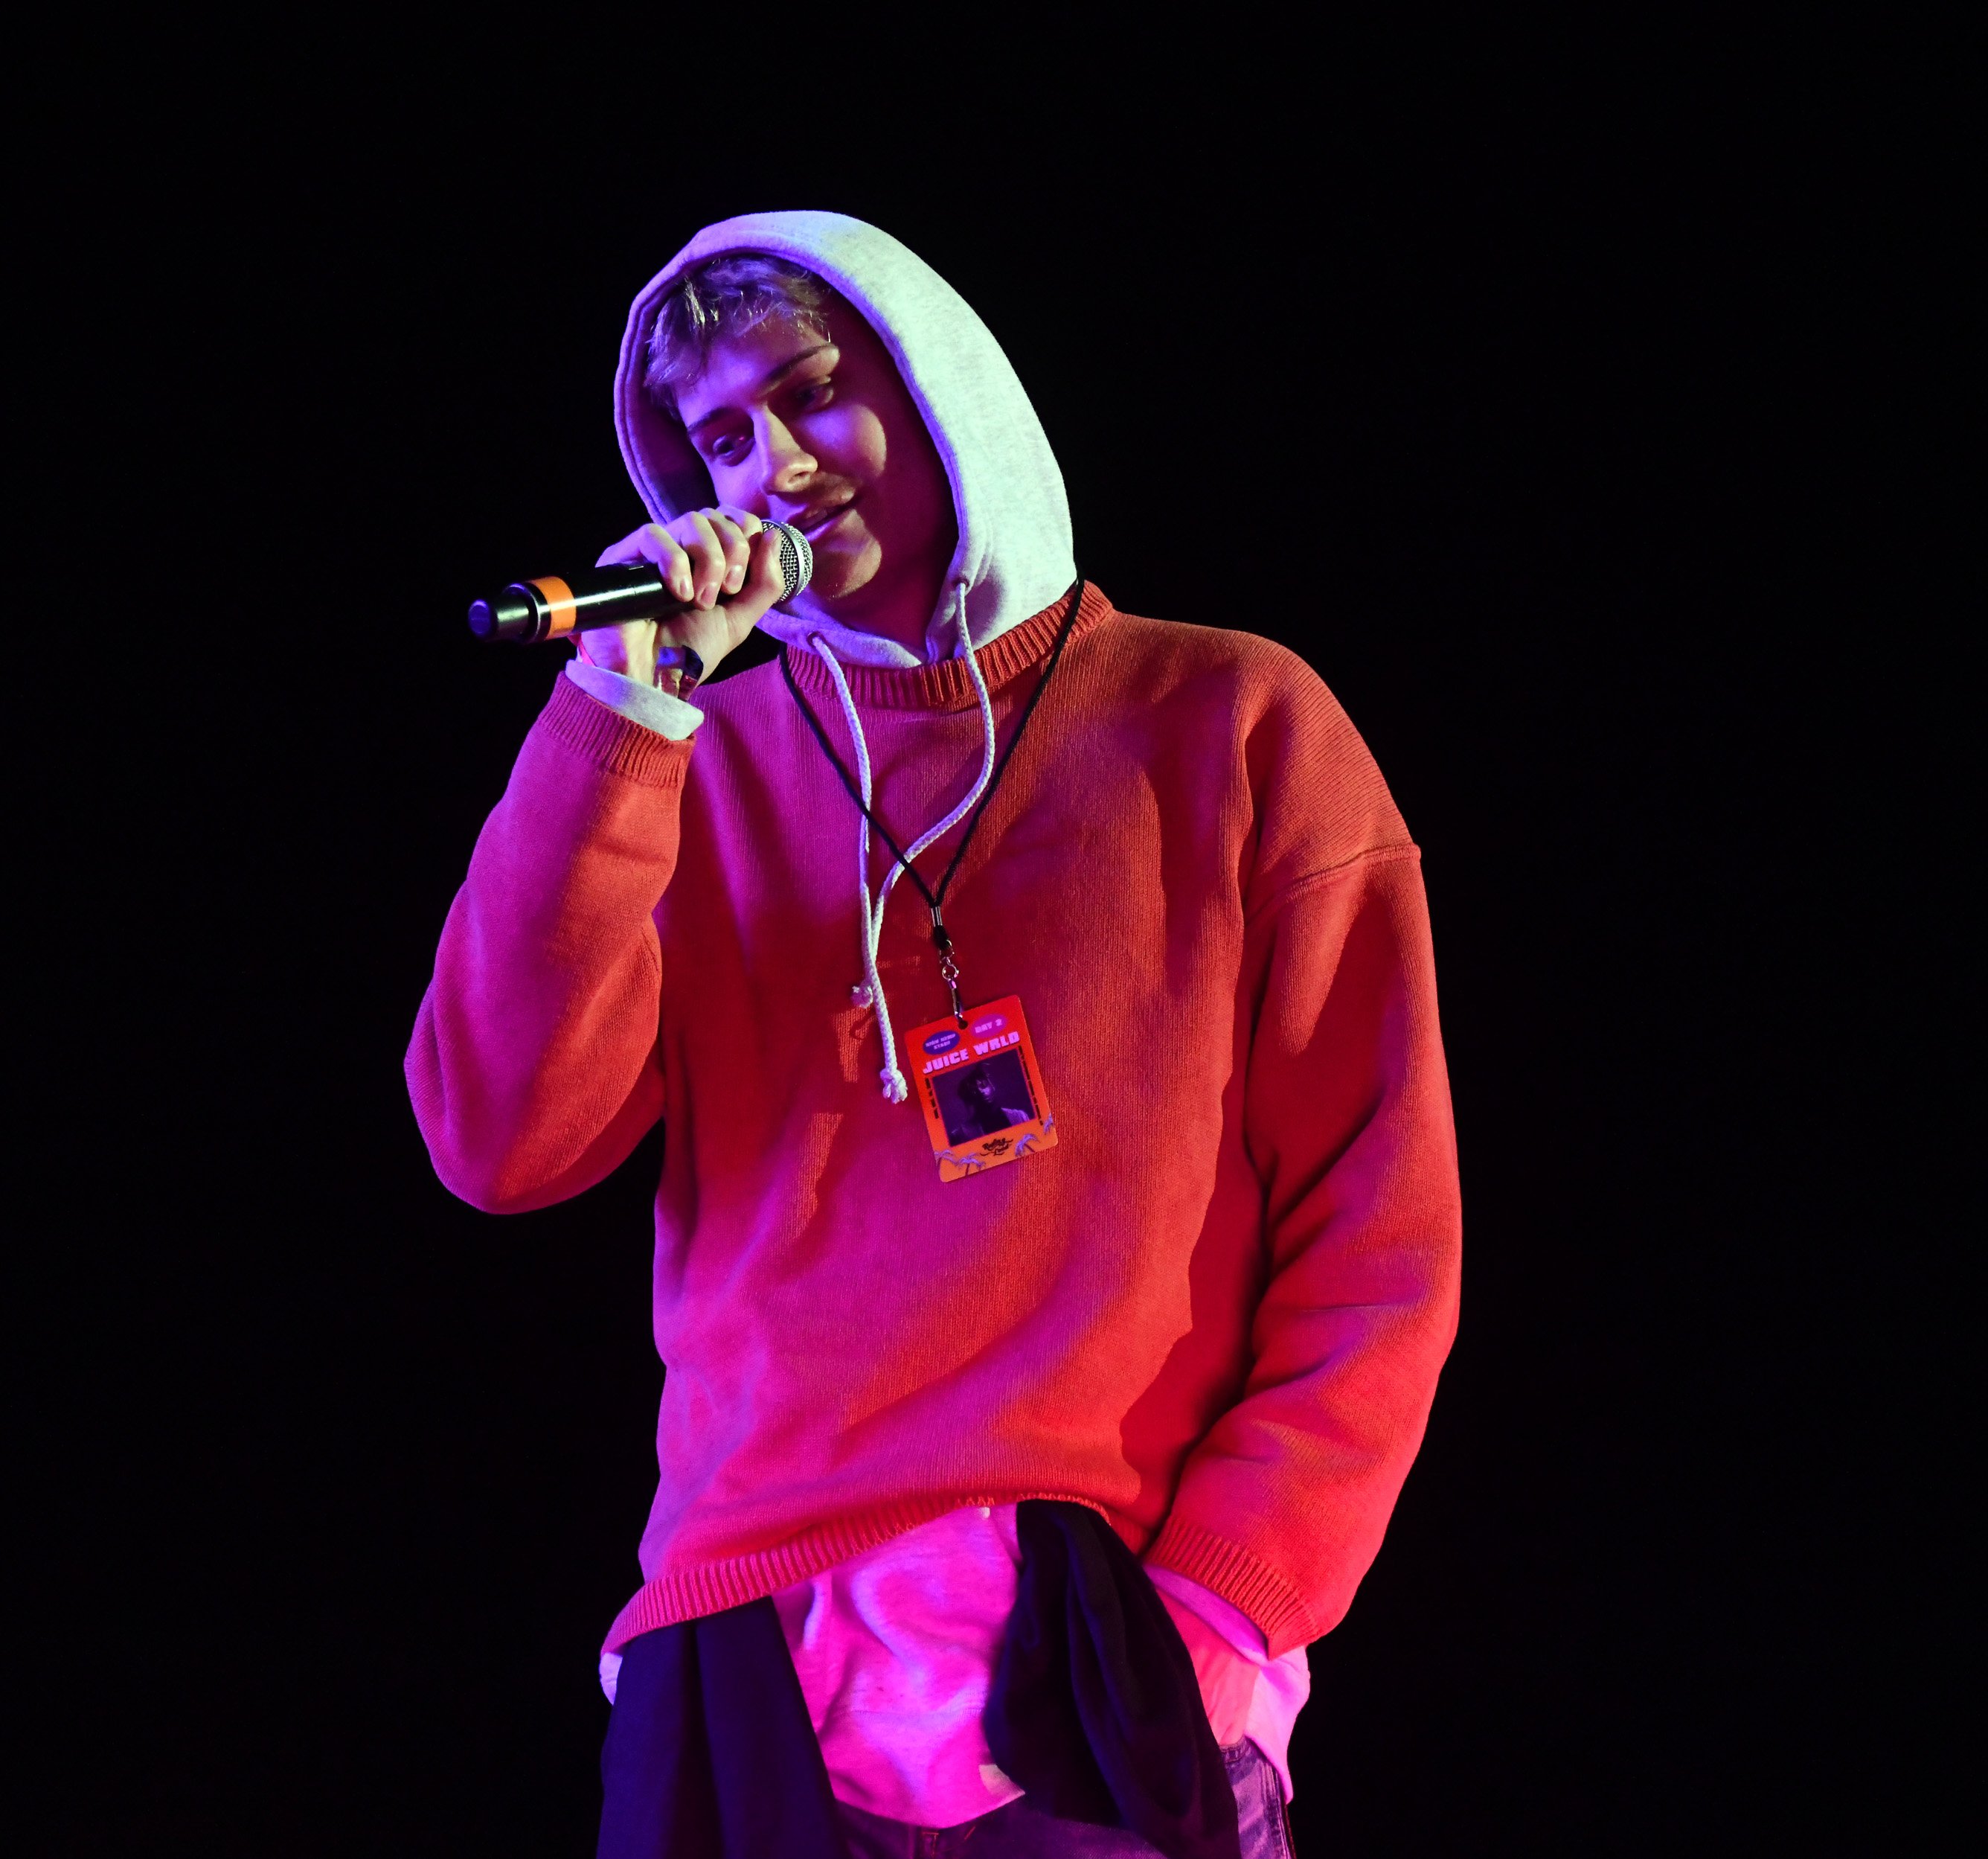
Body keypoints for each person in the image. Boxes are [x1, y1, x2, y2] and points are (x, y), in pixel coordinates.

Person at [408, 212, 1460, 1857]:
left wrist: (1229, 1613)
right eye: (719, 438)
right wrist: (619, 713)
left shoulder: (1230, 721)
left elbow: (1378, 1236)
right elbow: (496, 1135)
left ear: (937, 378)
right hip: (745, 1631)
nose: (772, 466)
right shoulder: (697, 761)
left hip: (1102, 1628)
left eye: (810, 394)